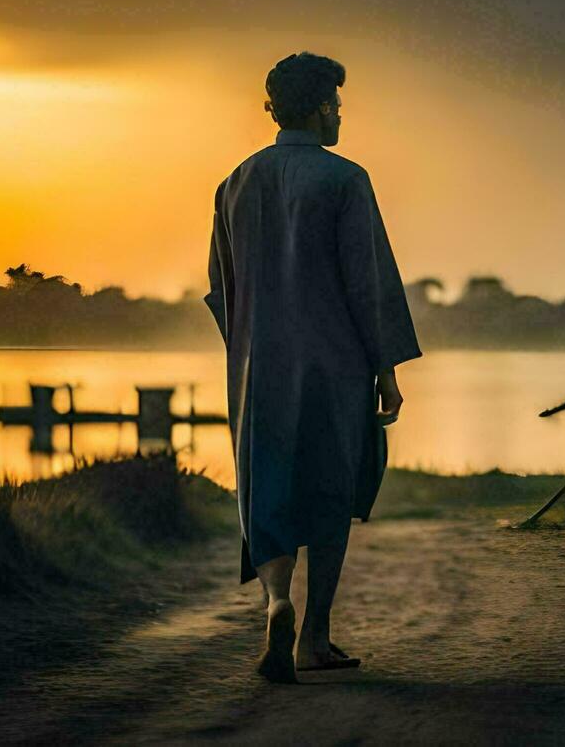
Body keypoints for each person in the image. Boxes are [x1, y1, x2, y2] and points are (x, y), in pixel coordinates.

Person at [203, 51, 422, 683]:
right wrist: (386, 371)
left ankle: (276, 602)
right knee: (330, 490)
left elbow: (222, 288)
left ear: (275, 109)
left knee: (267, 490)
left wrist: (248, 346)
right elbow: (369, 284)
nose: (342, 116)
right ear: (324, 106)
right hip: (334, 367)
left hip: (257, 369)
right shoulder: (345, 180)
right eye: (339, 105)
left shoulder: (235, 183)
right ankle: (315, 639)